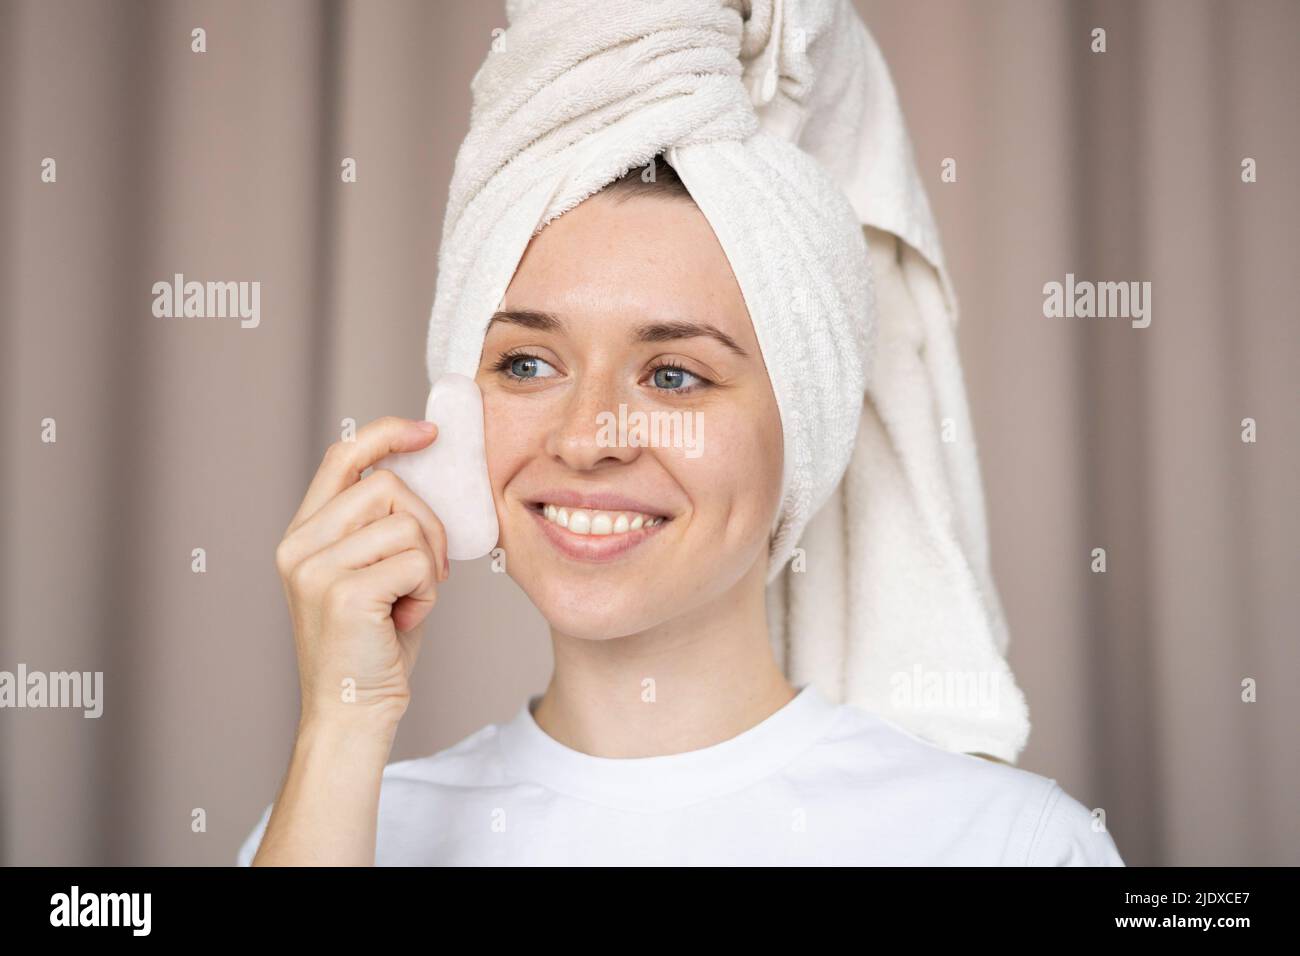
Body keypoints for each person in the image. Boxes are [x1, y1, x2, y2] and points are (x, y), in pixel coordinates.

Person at [236, 157, 1125, 866]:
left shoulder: (1012, 847)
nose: (587, 439)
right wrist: (342, 724)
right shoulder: (334, 828)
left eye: (673, 376)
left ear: (805, 431)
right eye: (528, 366)